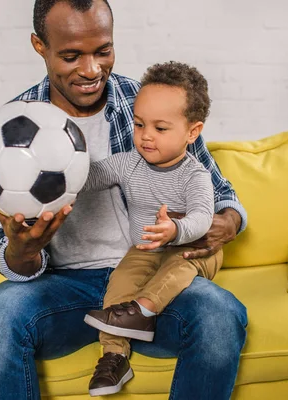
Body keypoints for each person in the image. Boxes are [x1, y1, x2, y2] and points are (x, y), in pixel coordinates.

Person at [0, 1, 249, 399]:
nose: (91, 69)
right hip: (63, 288)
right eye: (70, 55)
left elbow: (221, 196)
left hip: (149, 280)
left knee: (220, 316)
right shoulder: (8, 131)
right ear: (39, 45)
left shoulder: (150, 102)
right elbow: (9, 257)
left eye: (103, 51)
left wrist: (226, 223)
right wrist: (23, 250)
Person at [81, 61, 221, 397]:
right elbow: (93, 177)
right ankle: (114, 357)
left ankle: (143, 310)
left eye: (160, 128)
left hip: (195, 250)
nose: (145, 136)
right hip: (145, 249)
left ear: (192, 131)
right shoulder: (129, 163)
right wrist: (61, 173)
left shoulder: (194, 175)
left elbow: (203, 217)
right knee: (119, 285)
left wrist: (175, 229)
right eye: (140, 124)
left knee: (179, 266)